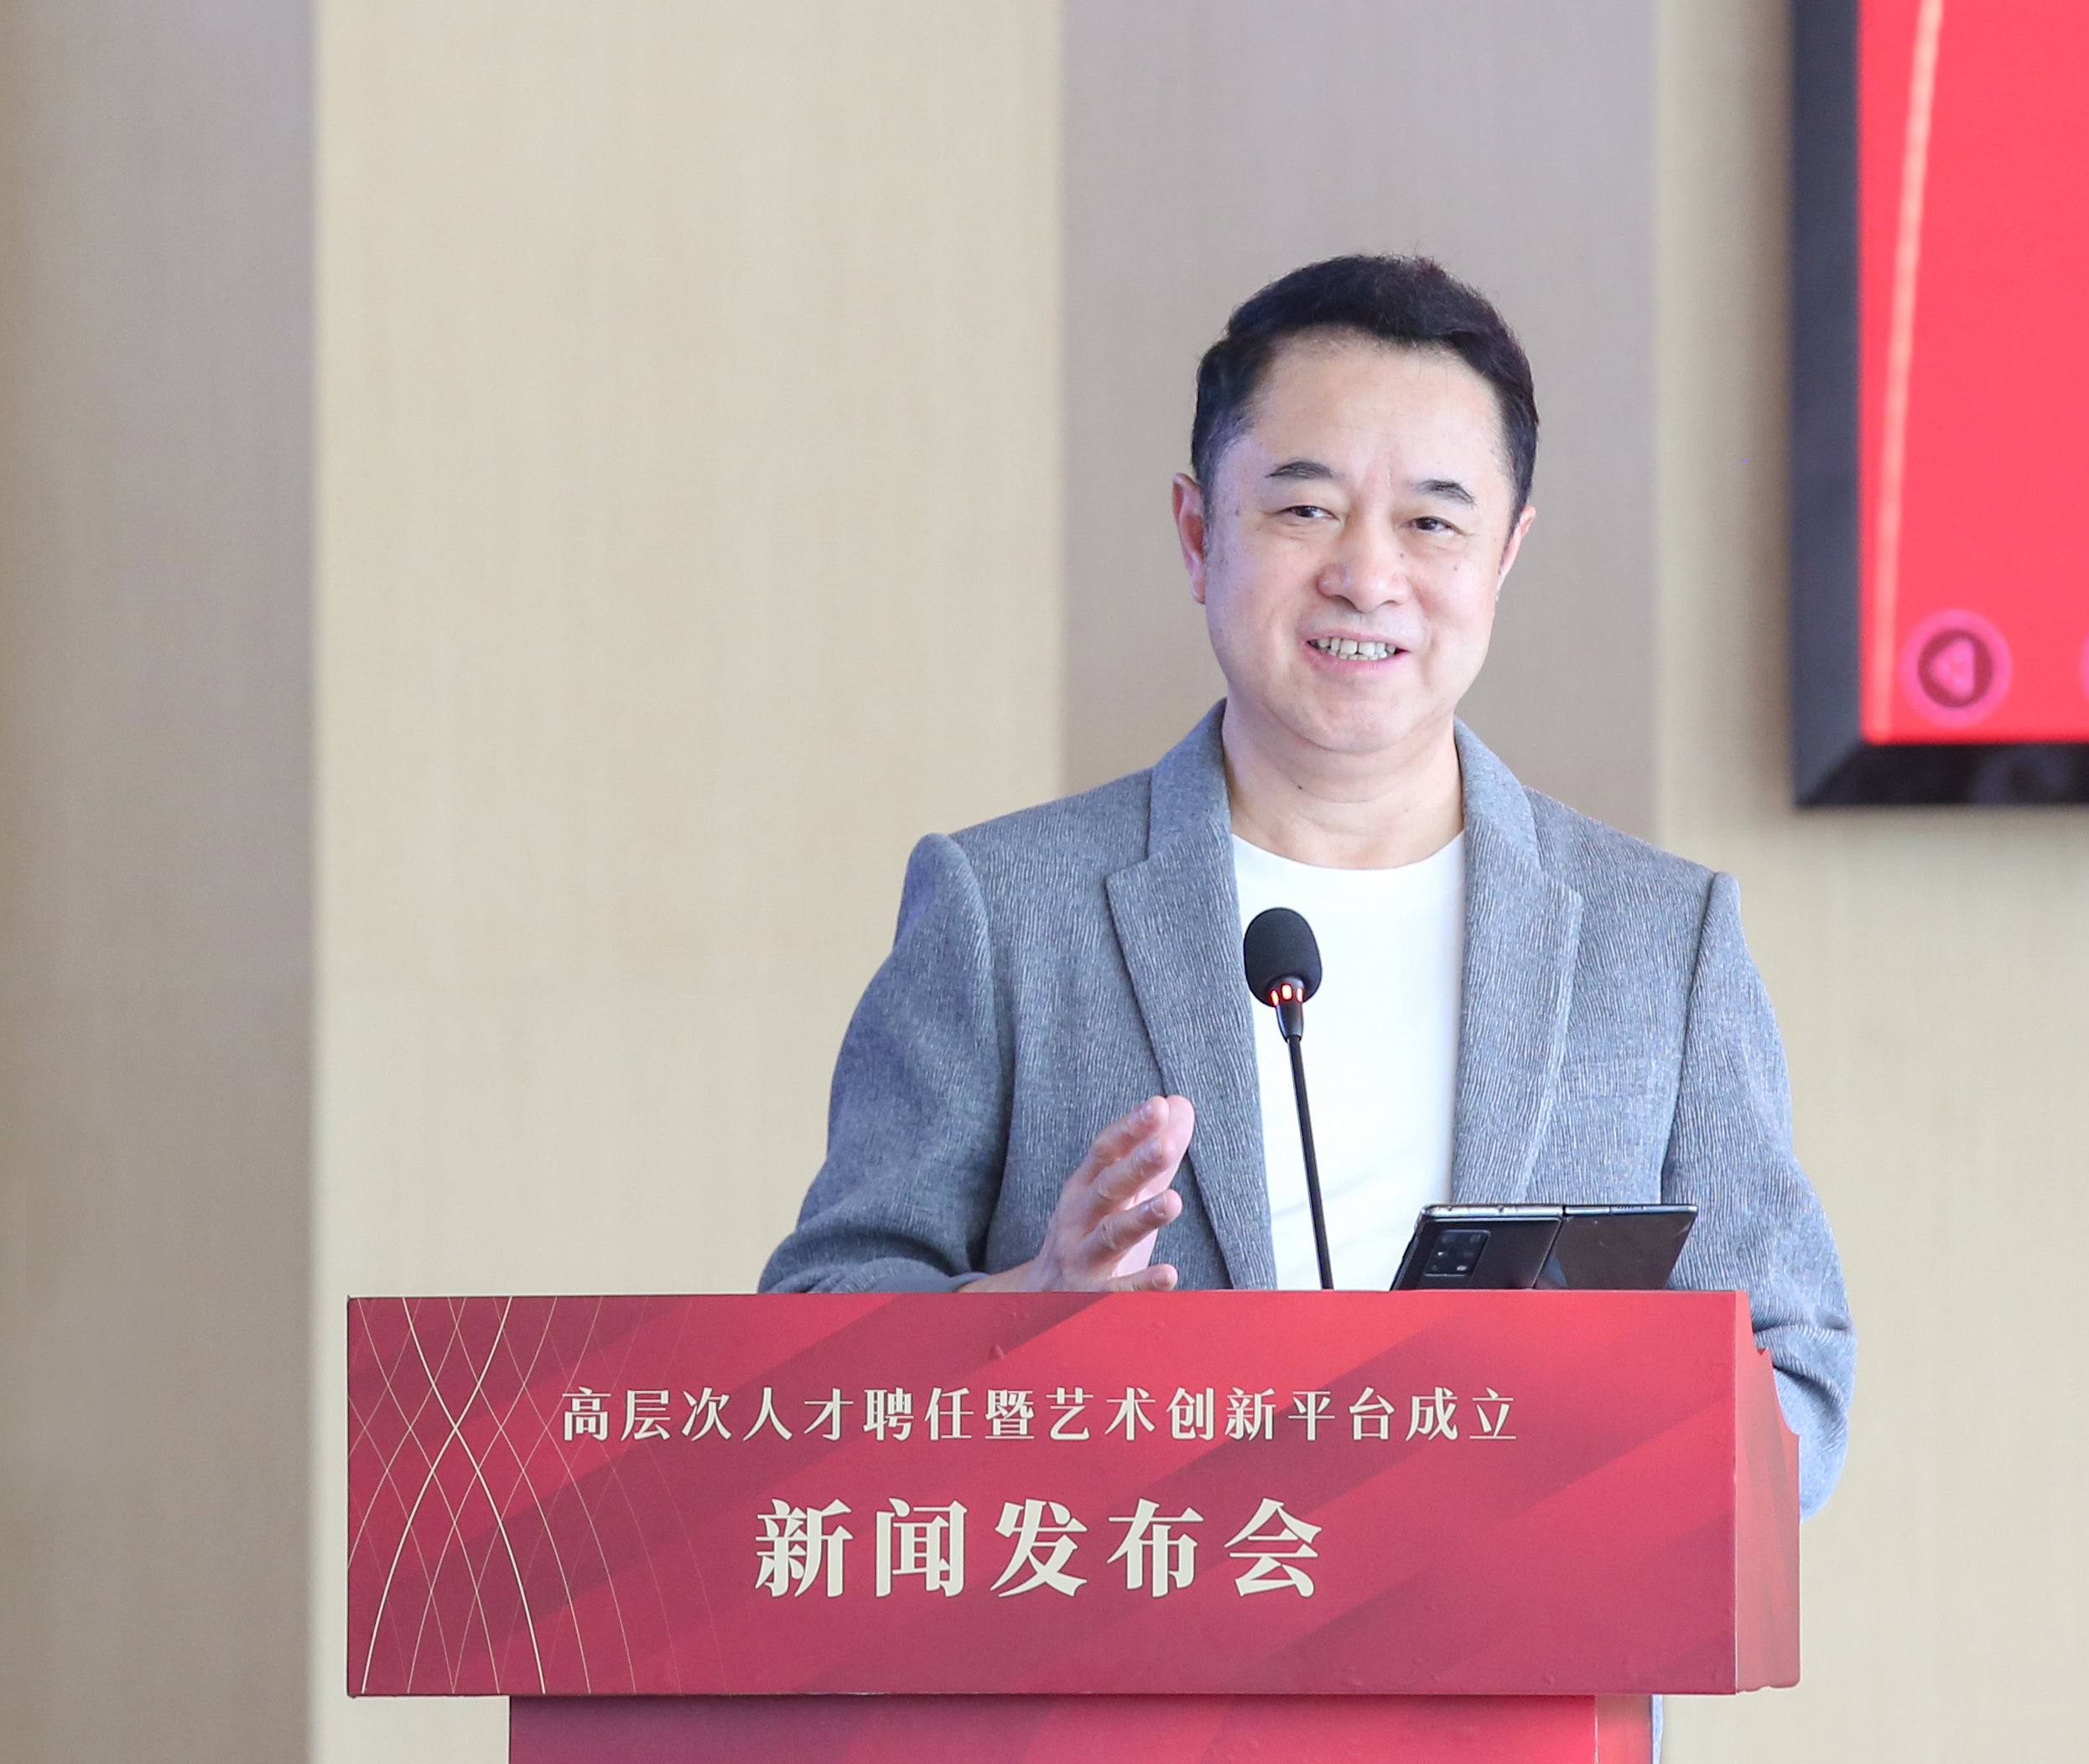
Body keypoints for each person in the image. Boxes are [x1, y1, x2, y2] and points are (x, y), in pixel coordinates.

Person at [761, 255, 1853, 1514]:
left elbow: (1796, 1380)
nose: (1368, 576)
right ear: (1197, 533)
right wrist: (1025, 1307)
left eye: (1433, 523)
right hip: (1129, 1624)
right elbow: (811, 1339)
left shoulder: (1660, 938)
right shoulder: (1004, 910)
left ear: (1505, 555)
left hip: (1512, 1634)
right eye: (1305, 509)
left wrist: (1581, 1450)